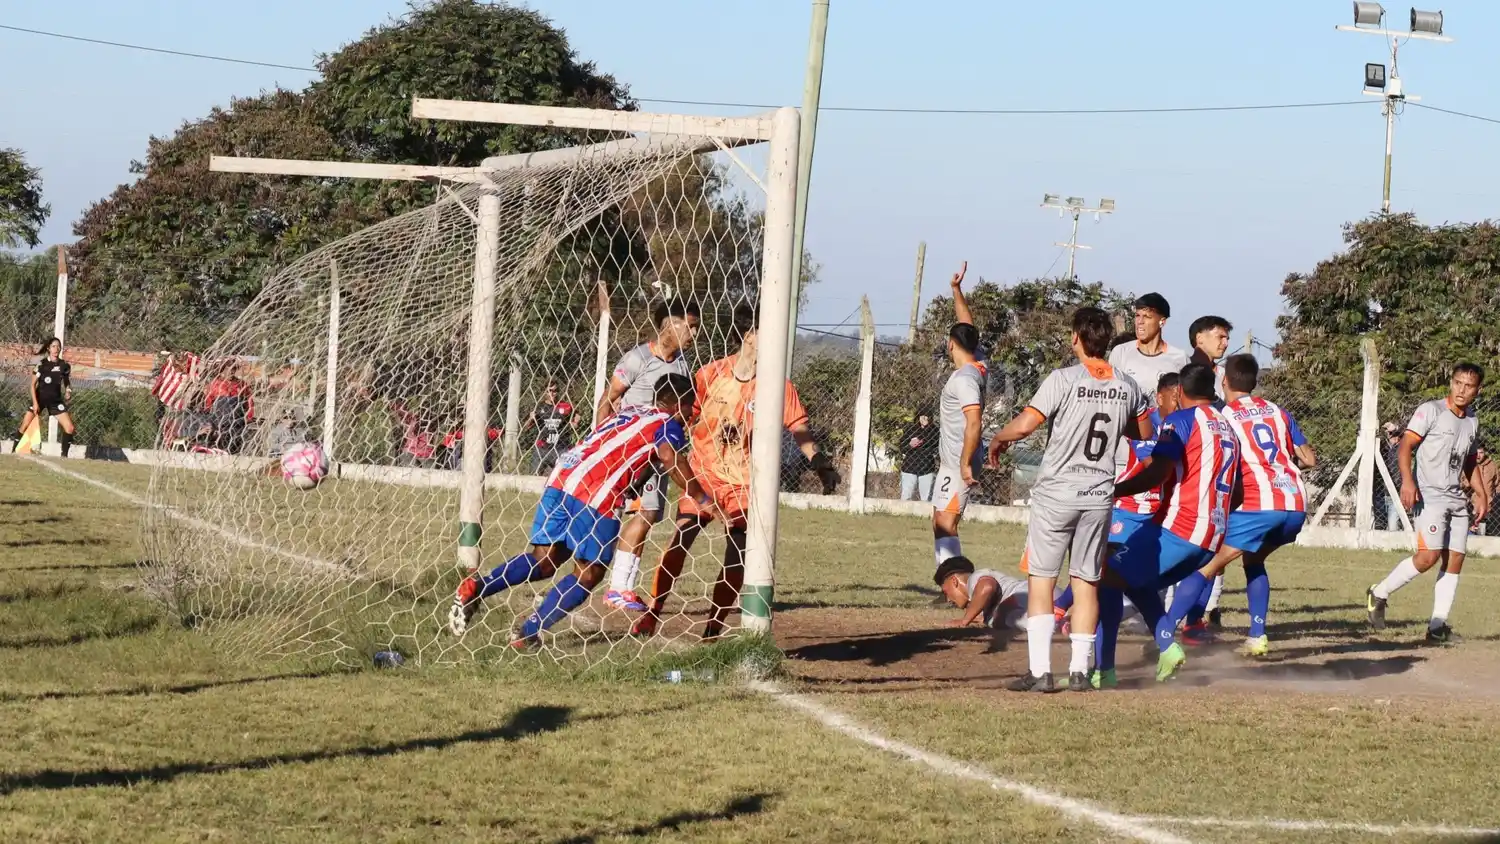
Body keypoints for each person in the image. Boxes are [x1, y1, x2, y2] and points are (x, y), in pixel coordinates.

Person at [448, 373, 718, 643]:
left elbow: (632, 449)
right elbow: (669, 456)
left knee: (544, 560)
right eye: (690, 405)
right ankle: (529, 634)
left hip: (562, 478)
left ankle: (476, 586)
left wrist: (635, 481)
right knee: (590, 573)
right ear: (678, 403)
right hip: (596, 492)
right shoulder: (667, 423)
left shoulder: (631, 412)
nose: (691, 413)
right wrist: (701, 498)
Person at [629, 304, 840, 638]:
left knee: (737, 556)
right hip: (703, 474)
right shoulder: (709, 375)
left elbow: (800, 429)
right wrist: (652, 460)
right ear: (749, 336)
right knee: (680, 540)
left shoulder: (778, 387)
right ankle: (653, 612)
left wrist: (821, 464)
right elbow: (680, 418)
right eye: (767, 333)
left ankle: (712, 630)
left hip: (743, 484)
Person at [987, 307, 1151, 693]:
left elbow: (1027, 423)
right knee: (1086, 583)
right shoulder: (1127, 385)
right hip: (1098, 496)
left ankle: (1041, 671)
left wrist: (998, 438)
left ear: (1075, 337)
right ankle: (1079, 671)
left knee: (1042, 580)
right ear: (1107, 340)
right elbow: (1142, 430)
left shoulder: (1062, 379)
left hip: (1057, 493)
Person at [1155, 354, 1316, 657]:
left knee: (1207, 564)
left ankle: (1164, 632)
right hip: (1294, 503)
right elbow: (1309, 459)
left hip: (1258, 505)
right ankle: (1256, 635)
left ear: (1224, 381)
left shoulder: (1223, 417)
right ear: (1254, 382)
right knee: (1253, 561)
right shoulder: (1278, 412)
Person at [1094, 363, 1240, 687]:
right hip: (1211, 536)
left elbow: (1158, 471)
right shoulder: (1228, 427)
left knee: (1106, 576)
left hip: (1179, 526)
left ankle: (1103, 671)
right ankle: (1166, 645)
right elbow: (1239, 490)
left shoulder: (1180, 420)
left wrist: (1116, 490)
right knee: (1136, 581)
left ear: (1177, 393)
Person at [1367, 363, 1488, 644]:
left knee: (1455, 558)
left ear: (1477, 390)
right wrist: (1408, 482)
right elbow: (1406, 446)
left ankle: (1436, 626)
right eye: (1457, 382)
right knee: (1428, 557)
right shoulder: (1430, 410)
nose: (1461, 389)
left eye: (1468, 386)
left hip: (1456, 497)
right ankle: (1379, 593)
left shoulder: (1472, 420)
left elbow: (1470, 461)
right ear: (1451, 382)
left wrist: (1481, 494)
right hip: (1429, 495)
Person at [594, 300, 701, 611]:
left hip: (660, 452)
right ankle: (618, 587)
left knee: (648, 514)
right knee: (645, 513)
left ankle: (622, 586)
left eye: (695, 327)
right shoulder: (637, 358)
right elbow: (609, 397)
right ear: (666, 326)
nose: (692, 334)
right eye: (687, 326)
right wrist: (601, 442)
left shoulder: (681, 365)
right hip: (635, 451)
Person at [930, 262, 987, 570]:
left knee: (946, 522)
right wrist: (956, 290)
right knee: (940, 520)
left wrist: (965, 463)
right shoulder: (977, 363)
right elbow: (967, 325)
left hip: (958, 462)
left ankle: (957, 582)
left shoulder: (965, 380)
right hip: (953, 461)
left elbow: (974, 421)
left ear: (951, 344)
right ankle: (949, 578)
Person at [1183, 315, 1233, 627]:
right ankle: (1181, 609)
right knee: (1189, 539)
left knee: (1218, 534)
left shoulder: (1225, 375)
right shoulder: (1187, 370)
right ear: (1199, 338)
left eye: (1227, 337)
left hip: (1221, 467)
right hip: (1194, 464)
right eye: (1219, 336)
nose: (1224, 342)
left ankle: (1209, 608)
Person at [1108, 293, 1190, 409]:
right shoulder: (1121, 352)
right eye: (1137, 315)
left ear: (1162, 321)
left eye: (1147, 317)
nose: (1139, 321)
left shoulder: (1180, 357)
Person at [13, 337, 78, 456]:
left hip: (55, 401)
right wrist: (35, 403)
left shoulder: (64, 365)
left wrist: (68, 390)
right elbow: (32, 385)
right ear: (48, 348)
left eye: (58, 346)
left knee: (70, 428)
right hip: (39, 400)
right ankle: (13, 452)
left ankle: (64, 456)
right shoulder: (42, 364)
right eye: (53, 346)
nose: (56, 349)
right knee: (24, 425)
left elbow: (66, 381)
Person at [936, 556, 1031, 632]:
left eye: (945, 592)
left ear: (954, 581)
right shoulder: (979, 600)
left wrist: (964, 621)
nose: (948, 599)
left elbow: (987, 587)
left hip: (1028, 598)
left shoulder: (974, 578)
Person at [528, 381, 577, 475]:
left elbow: (577, 415)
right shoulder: (539, 407)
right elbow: (527, 427)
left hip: (561, 448)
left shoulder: (566, 406)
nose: (552, 393)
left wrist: (574, 423)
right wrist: (531, 419)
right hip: (542, 448)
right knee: (534, 475)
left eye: (555, 390)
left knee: (562, 476)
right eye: (549, 391)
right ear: (545, 392)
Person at [897, 409, 939, 501]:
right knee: (906, 496)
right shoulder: (911, 429)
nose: (924, 418)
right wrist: (910, 445)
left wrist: (927, 427)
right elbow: (902, 447)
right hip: (910, 466)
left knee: (927, 497)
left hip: (926, 467)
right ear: (918, 417)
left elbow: (935, 442)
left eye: (927, 416)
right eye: (922, 416)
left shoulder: (934, 430)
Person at [1464, 443, 1497, 535]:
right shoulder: (1467, 465)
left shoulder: (1492, 466)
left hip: (1488, 506)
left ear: (1485, 453)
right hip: (1471, 506)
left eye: (1481, 453)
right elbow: (1462, 483)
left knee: (1484, 533)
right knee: (1470, 532)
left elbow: (1497, 483)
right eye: (1477, 453)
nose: (1478, 456)